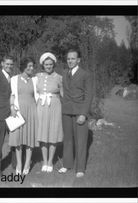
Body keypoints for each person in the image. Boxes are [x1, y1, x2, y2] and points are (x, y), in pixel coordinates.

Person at [58, 49, 93, 178]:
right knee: (67, 140)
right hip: (66, 111)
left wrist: (83, 113)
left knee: (81, 141)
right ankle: (67, 165)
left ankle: (80, 168)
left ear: (78, 60)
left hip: (79, 112)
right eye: (68, 59)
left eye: (73, 58)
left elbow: (89, 95)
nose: (70, 61)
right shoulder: (64, 73)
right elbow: (63, 90)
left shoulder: (85, 74)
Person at [9, 57, 39, 175]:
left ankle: (27, 163)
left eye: (32, 66)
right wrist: (12, 107)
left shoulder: (35, 79)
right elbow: (12, 95)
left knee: (30, 139)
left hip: (32, 112)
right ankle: (19, 164)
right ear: (24, 67)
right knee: (18, 139)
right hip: (18, 112)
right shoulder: (14, 79)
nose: (31, 68)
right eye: (29, 66)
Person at [36, 52, 64, 173]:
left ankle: (50, 161)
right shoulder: (37, 76)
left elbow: (63, 94)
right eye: (46, 64)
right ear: (43, 65)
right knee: (43, 133)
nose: (48, 66)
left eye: (50, 64)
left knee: (53, 133)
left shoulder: (59, 77)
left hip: (55, 107)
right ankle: (44, 161)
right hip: (41, 107)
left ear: (54, 64)